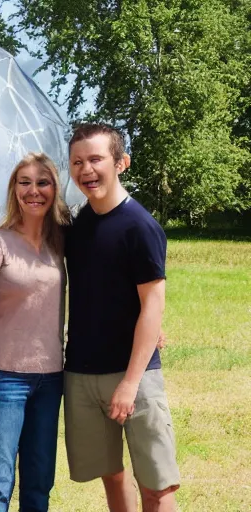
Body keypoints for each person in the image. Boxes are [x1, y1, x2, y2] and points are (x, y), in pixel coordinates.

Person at [64, 123, 180, 511]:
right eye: (77, 161)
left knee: (157, 485)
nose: (86, 169)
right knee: (112, 477)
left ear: (121, 163)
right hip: (82, 372)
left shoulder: (140, 227)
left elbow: (153, 306)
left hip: (135, 375)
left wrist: (130, 384)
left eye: (96, 159)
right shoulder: (77, 227)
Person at [0, 153, 70, 511]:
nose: (34, 191)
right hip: (1, 378)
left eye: (42, 182)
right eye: (24, 182)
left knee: (39, 481)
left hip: (50, 378)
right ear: (13, 189)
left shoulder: (62, 241)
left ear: (54, 188)